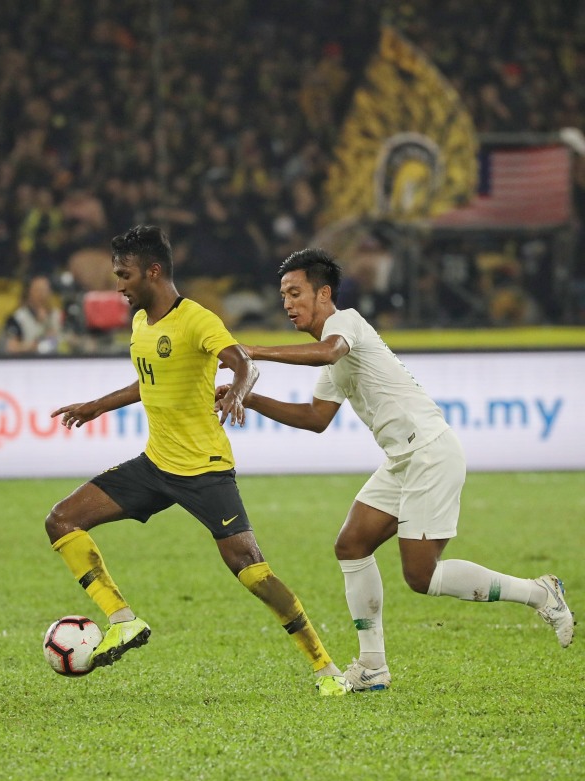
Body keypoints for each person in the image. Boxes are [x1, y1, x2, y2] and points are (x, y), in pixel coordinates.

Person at [216, 248, 574, 692]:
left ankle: (541, 592)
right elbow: (315, 418)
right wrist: (249, 398)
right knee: (351, 544)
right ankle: (372, 666)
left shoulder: (344, 325)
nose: (287, 303)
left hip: (429, 453)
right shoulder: (333, 351)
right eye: (283, 295)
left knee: (422, 577)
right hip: (403, 460)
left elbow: (328, 353)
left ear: (323, 293)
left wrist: (252, 351)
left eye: (295, 292)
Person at [45, 226, 348, 696]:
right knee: (61, 520)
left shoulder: (197, 320)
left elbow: (244, 362)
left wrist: (239, 395)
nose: (118, 286)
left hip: (205, 470)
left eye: (124, 276)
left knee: (254, 573)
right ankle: (123, 621)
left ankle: (326, 668)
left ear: (153, 271)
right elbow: (149, 381)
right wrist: (97, 405)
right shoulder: (141, 322)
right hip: (154, 465)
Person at [4, 274, 64, 354]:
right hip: (28, 362)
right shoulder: (18, 318)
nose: (42, 294)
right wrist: (34, 346)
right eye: (38, 290)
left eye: (45, 290)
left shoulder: (58, 315)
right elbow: (11, 347)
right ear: (28, 292)